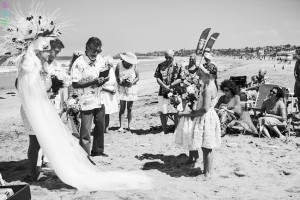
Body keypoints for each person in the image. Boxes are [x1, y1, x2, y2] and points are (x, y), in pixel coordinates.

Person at [180, 60, 221, 178]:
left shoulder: (208, 89)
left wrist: (193, 113)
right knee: (209, 145)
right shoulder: (213, 85)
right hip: (211, 116)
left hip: (206, 118)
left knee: (206, 146)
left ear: (208, 74)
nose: (199, 75)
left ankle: (207, 172)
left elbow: (205, 109)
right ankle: (207, 171)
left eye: (201, 73)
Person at [71, 37, 108, 157]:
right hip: (86, 101)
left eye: (98, 51)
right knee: (86, 130)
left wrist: (103, 80)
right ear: (86, 47)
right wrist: (93, 82)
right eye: (93, 50)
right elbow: (75, 83)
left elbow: (102, 76)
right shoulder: (78, 63)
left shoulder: (100, 60)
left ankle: (98, 151)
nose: (95, 53)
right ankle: (84, 156)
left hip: (99, 98)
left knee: (100, 127)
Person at [175, 53, 200, 164]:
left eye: (193, 59)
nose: (192, 60)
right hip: (185, 99)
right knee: (188, 129)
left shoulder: (199, 70)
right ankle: (191, 156)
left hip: (195, 100)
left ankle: (196, 156)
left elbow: (201, 84)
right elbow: (180, 82)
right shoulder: (184, 69)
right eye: (190, 58)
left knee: (193, 130)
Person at [154, 50, 182, 134]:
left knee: (176, 111)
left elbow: (180, 78)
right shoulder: (160, 65)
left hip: (175, 92)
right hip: (162, 92)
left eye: (169, 57)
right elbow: (158, 78)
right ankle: (164, 129)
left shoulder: (178, 66)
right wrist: (164, 86)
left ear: (173, 56)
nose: (168, 59)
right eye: (166, 57)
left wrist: (170, 86)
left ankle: (176, 129)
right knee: (163, 111)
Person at [115, 52, 139, 131]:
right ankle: (121, 126)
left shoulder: (134, 66)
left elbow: (138, 77)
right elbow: (117, 79)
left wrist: (132, 82)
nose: (130, 64)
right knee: (122, 107)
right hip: (122, 88)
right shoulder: (119, 65)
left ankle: (129, 125)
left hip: (132, 88)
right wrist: (123, 83)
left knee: (130, 107)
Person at [100, 56, 118, 132]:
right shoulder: (102, 71)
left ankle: (106, 128)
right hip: (104, 93)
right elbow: (99, 85)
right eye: (109, 64)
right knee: (102, 112)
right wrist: (109, 90)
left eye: (111, 64)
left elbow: (114, 82)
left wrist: (115, 89)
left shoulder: (111, 70)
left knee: (108, 112)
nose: (111, 65)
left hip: (111, 93)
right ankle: (101, 128)